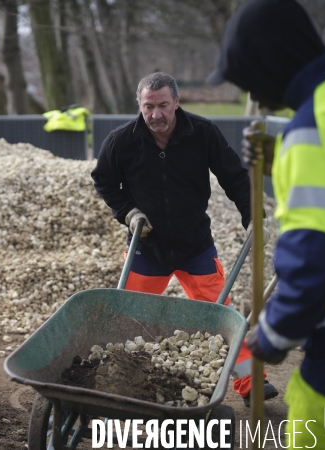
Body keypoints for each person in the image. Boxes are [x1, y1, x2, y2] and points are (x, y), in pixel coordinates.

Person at [208, 0, 325, 446]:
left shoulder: (312, 130)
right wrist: (282, 157)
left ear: (269, 63)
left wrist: (269, 337)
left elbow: (318, 263)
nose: (251, 95)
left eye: (247, 78)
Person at [91, 71, 278, 406]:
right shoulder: (122, 141)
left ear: (177, 102)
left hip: (195, 246)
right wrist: (128, 213)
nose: (156, 114)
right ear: (140, 104)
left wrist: (252, 216)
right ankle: (113, 383)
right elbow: (103, 180)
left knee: (222, 320)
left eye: (163, 105)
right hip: (146, 248)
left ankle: (252, 383)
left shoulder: (203, 133)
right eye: (149, 106)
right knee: (126, 322)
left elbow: (235, 177)